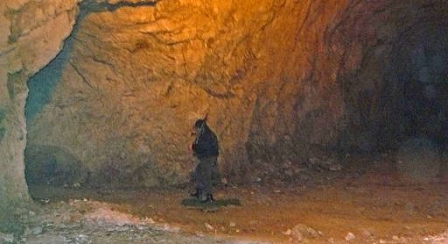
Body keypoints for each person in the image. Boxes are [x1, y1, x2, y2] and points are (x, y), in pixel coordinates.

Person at [189, 119, 220, 203]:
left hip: (209, 157)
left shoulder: (207, 136)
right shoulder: (204, 135)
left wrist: (194, 147)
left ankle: (209, 196)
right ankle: (199, 191)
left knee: (206, 175)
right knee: (198, 171)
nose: (196, 130)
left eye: (197, 128)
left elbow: (203, 148)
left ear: (201, 128)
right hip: (207, 157)